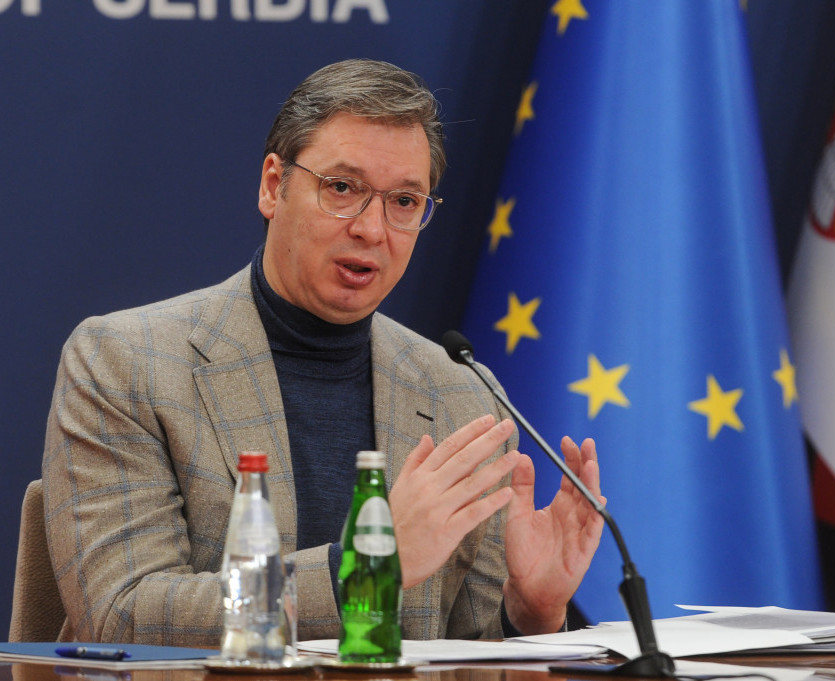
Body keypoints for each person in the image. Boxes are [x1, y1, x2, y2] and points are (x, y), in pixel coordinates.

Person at [41, 58, 604, 646]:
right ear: (273, 186)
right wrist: (364, 570)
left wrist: (530, 612)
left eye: (404, 201)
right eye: (342, 188)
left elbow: (471, 652)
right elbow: (123, 615)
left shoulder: (462, 397)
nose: (372, 229)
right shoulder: (127, 364)